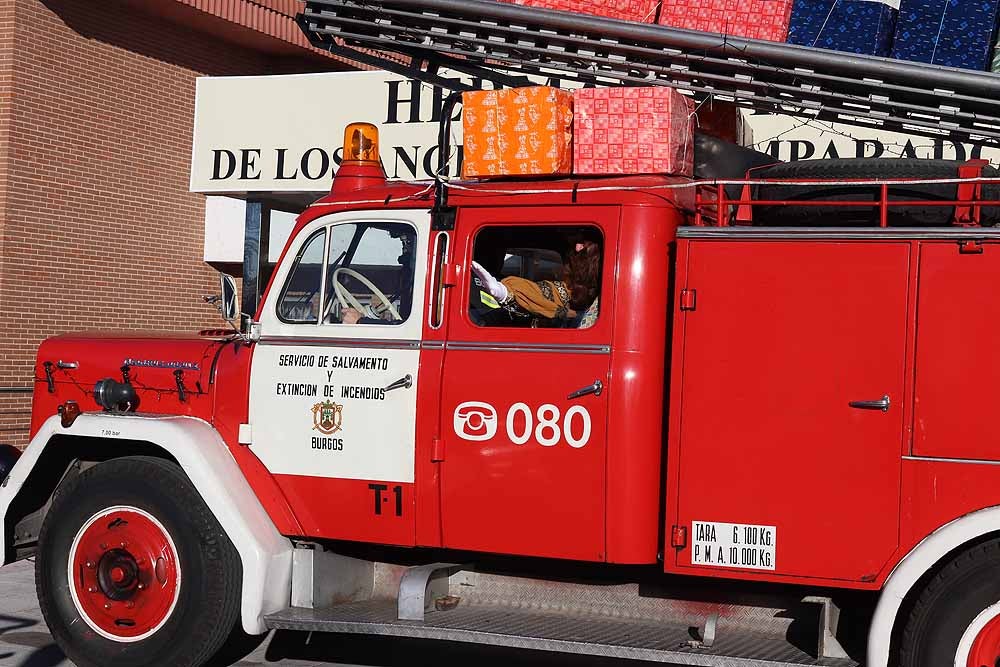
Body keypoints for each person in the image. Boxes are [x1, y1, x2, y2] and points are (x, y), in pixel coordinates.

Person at [472, 240, 601, 328]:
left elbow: (537, 295)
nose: (578, 246)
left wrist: (504, 292)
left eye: (585, 245)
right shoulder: (569, 292)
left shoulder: (565, 293)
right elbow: (538, 295)